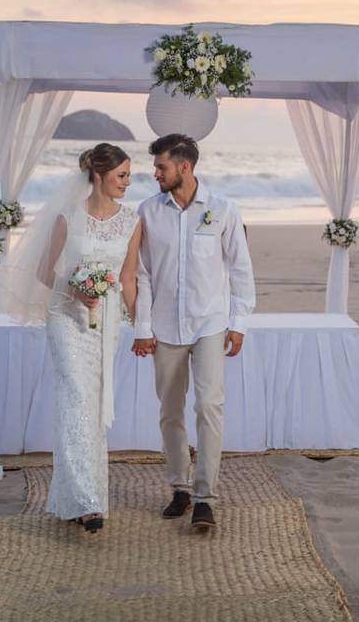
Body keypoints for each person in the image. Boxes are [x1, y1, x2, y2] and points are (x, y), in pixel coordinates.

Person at [0, 143, 141, 533]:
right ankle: (86, 501)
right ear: (98, 175)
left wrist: (141, 325)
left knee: (92, 406)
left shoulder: (131, 221)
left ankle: (79, 496)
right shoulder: (67, 218)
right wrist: (76, 290)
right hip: (66, 316)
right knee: (76, 394)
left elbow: (127, 279)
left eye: (128, 175)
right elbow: (46, 273)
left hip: (106, 322)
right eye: (121, 175)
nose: (128, 183)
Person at [132, 134, 255, 530]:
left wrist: (238, 323)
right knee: (170, 411)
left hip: (210, 324)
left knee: (210, 407)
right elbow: (142, 273)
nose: (155, 174)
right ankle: (180, 488)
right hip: (165, 326)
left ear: (183, 167)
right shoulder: (147, 212)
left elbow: (240, 269)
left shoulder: (223, 210)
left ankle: (205, 496)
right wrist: (144, 327)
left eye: (161, 167)